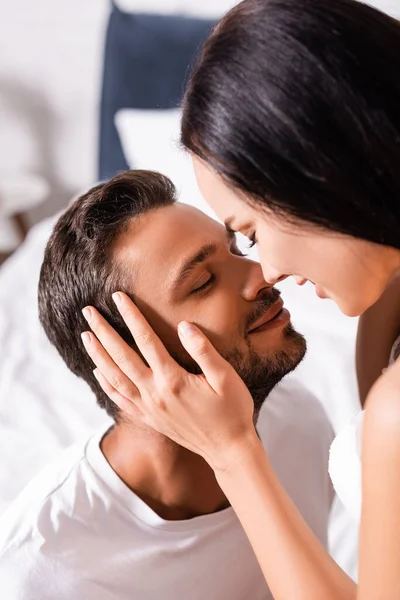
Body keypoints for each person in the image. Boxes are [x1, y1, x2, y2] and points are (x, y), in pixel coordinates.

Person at [81, 1, 400, 599]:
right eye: (203, 278)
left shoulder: (390, 413)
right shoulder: (388, 300)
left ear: (318, 173)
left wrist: (231, 452)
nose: (267, 271)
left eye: (248, 233)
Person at [0, 170, 334, 600]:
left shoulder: (298, 421)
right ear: (125, 359)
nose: (262, 275)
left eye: (236, 248)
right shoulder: (43, 570)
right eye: (203, 282)